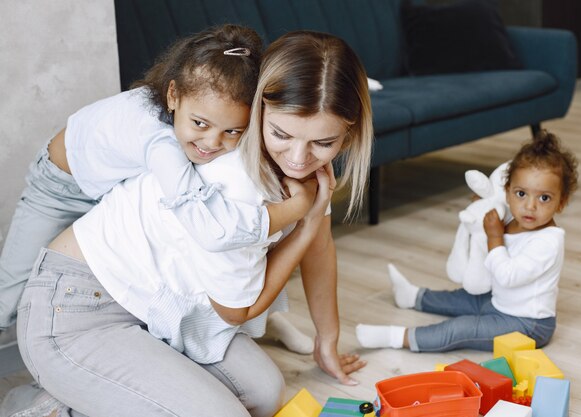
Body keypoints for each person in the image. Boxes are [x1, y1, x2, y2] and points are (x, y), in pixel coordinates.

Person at [3, 30, 373, 417]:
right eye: (282, 134)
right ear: (258, 109)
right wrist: (306, 222)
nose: (299, 158)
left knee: (264, 393)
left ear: (347, 135)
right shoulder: (235, 183)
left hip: (158, 307)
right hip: (77, 307)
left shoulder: (292, 164)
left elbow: (320, 246)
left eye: (323, 143)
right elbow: (236, 311)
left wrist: (327, 340)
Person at [0, 24, 307, 333]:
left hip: (118, 184)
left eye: (232, 131)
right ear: (173, 94)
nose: (213, 143)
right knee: (8, 297)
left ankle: (260, 318)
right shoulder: (159, 142)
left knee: (206, 234)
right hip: (60, 188)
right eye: (201, 123)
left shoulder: (195, 127)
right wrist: (298, 208)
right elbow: (212, 230)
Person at [356, 130, 578, 353]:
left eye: (544, 198)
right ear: (508, 192)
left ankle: (396, 337)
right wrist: (484, 204)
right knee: (463, 298)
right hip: (499, 302)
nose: (530, 206)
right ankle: (414, 296)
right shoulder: (515, 218)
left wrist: (494, 237)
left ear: (561, 202)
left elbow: (507, 276)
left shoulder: (548, 242)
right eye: (521, 194)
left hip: (528, 324)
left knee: (461, 328)